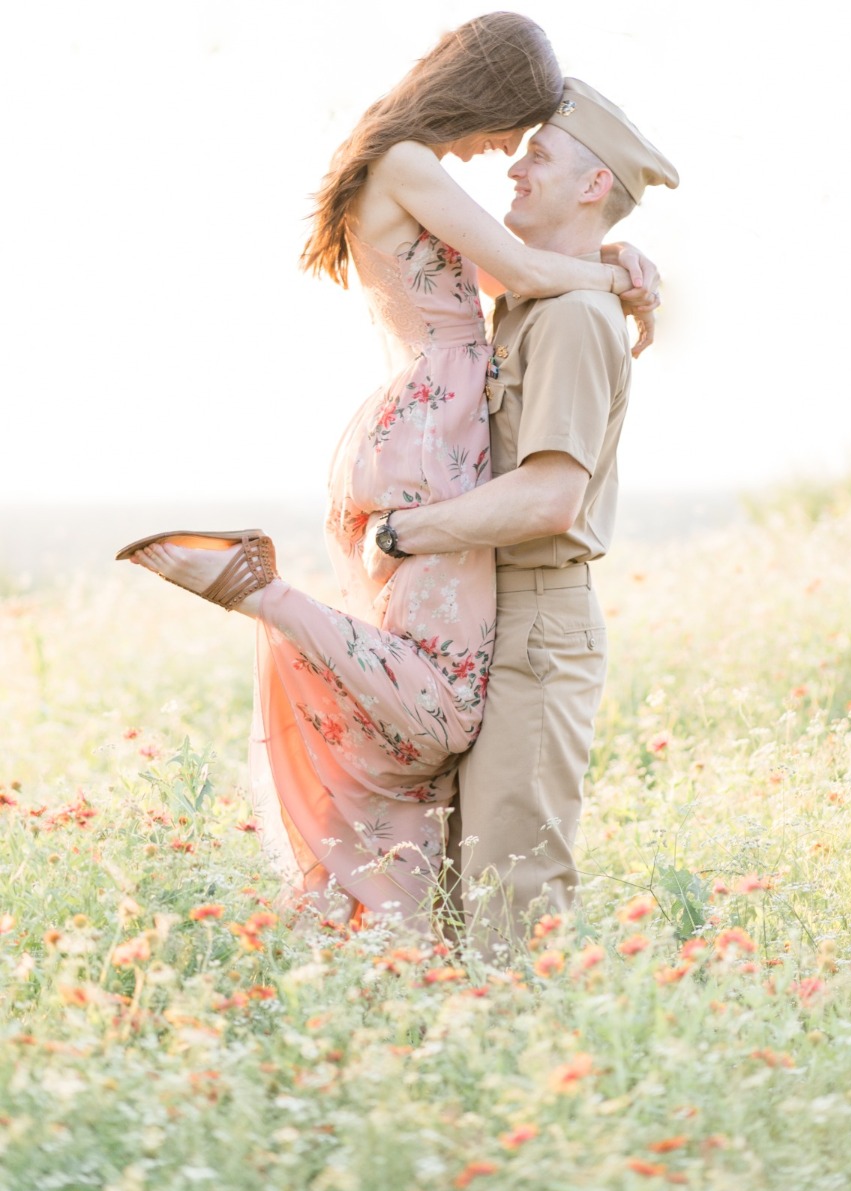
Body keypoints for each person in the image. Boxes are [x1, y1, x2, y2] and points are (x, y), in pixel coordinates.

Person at [116, 15, 656, 927]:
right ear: (482, 93)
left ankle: (398, 929)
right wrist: (633, 284)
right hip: (433, 427)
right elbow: (524, 268)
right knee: (443, 714)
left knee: (430, 696)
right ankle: (265, 593)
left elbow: (510, 276)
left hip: (413, 421)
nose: (497, 152)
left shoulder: (395, 163)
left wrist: (606, 257)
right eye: (503, 129)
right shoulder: (409, 159)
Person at [362, 78, 679, 944]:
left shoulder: (575, 316)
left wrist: (399, 535)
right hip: (491, 617)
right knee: (461, 906)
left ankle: (540, 1076)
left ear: (591, 187)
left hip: (537, 626)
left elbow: (550, 495)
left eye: (537, 158)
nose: (511, 174)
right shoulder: (532, 302)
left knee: (513, 907)